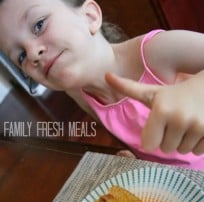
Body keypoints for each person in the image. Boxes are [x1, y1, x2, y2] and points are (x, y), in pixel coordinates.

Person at [0, 0, 204, 170]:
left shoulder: (157, 51)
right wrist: (138, 159)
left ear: (89, 16)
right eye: (21, 55)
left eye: (39, 25)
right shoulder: (81, 94)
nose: (33, 53)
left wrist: (195, 91)